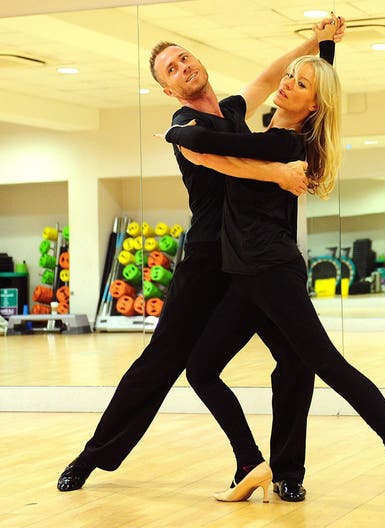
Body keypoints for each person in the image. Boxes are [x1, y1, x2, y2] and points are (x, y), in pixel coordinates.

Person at [163, 17, 385, 520]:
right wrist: (322, 49)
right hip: (244, 282)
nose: (286, 83)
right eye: (288, 77)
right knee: (202, 368)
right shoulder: (279, 138)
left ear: (310, 106)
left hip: (272, 275)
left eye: (298, 84)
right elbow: (297, 99)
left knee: (330, 366)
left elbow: (199, 144)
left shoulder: (283, 145)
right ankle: (252, 463)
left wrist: (188, 137)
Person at [56, 21, 338, 499]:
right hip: (209, 261)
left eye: (185, 58)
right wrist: (278, 174)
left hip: (251, 258)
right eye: (172, 68)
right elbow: (230, 164)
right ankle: (93, 455)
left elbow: (270, 78)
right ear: (168, 89)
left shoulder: (230, 111)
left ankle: (288, 472)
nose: (183, 66)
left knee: (294, 359)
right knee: (160, 363)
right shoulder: (188, 129)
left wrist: (316, 44)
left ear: (199, 63)